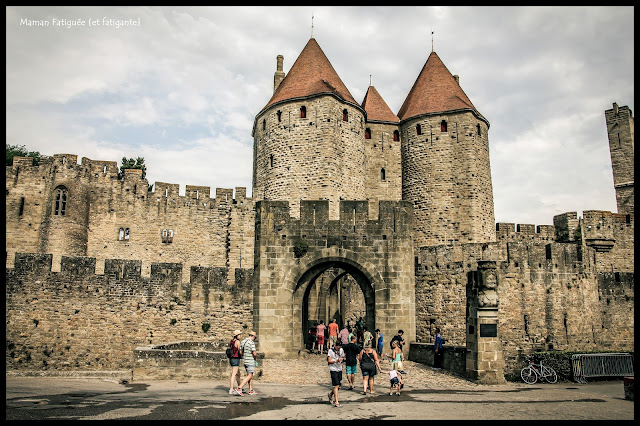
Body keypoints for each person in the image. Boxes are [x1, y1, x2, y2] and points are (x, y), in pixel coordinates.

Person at [235, 331, 258, 396]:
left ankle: (251, 390)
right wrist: (255, 358)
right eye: (255, 338)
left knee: (249, 375)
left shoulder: (243, 341)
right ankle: (239, 388)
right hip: (250, 361)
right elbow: (254, 353)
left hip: (245, 360)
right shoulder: (251, 343)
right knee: (250, 375)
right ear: (253, 336)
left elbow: (240, 352)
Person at [327, 340, 345, 407]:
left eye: (339, 347)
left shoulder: (341, 350)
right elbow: (329, 361)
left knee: (339, 386)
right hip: (333, 369)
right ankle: (336, 401)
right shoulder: (330, 351)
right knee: (336, 385)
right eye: (338, 347)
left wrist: (342, 360)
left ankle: (330, 394)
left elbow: (343, 357)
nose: (338, 348)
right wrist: (336, 361)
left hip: (339, 369)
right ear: (335, 345)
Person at [228, 330, 243, 395]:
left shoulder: (232, 341)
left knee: (238, 374)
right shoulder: (237, 342)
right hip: (236, 358)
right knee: (234, 374)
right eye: (239, 335)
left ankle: (240, 387)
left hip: (232, 358)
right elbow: (239, 351)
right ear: (237, 335)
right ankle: (231, 389)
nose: (240, 336)